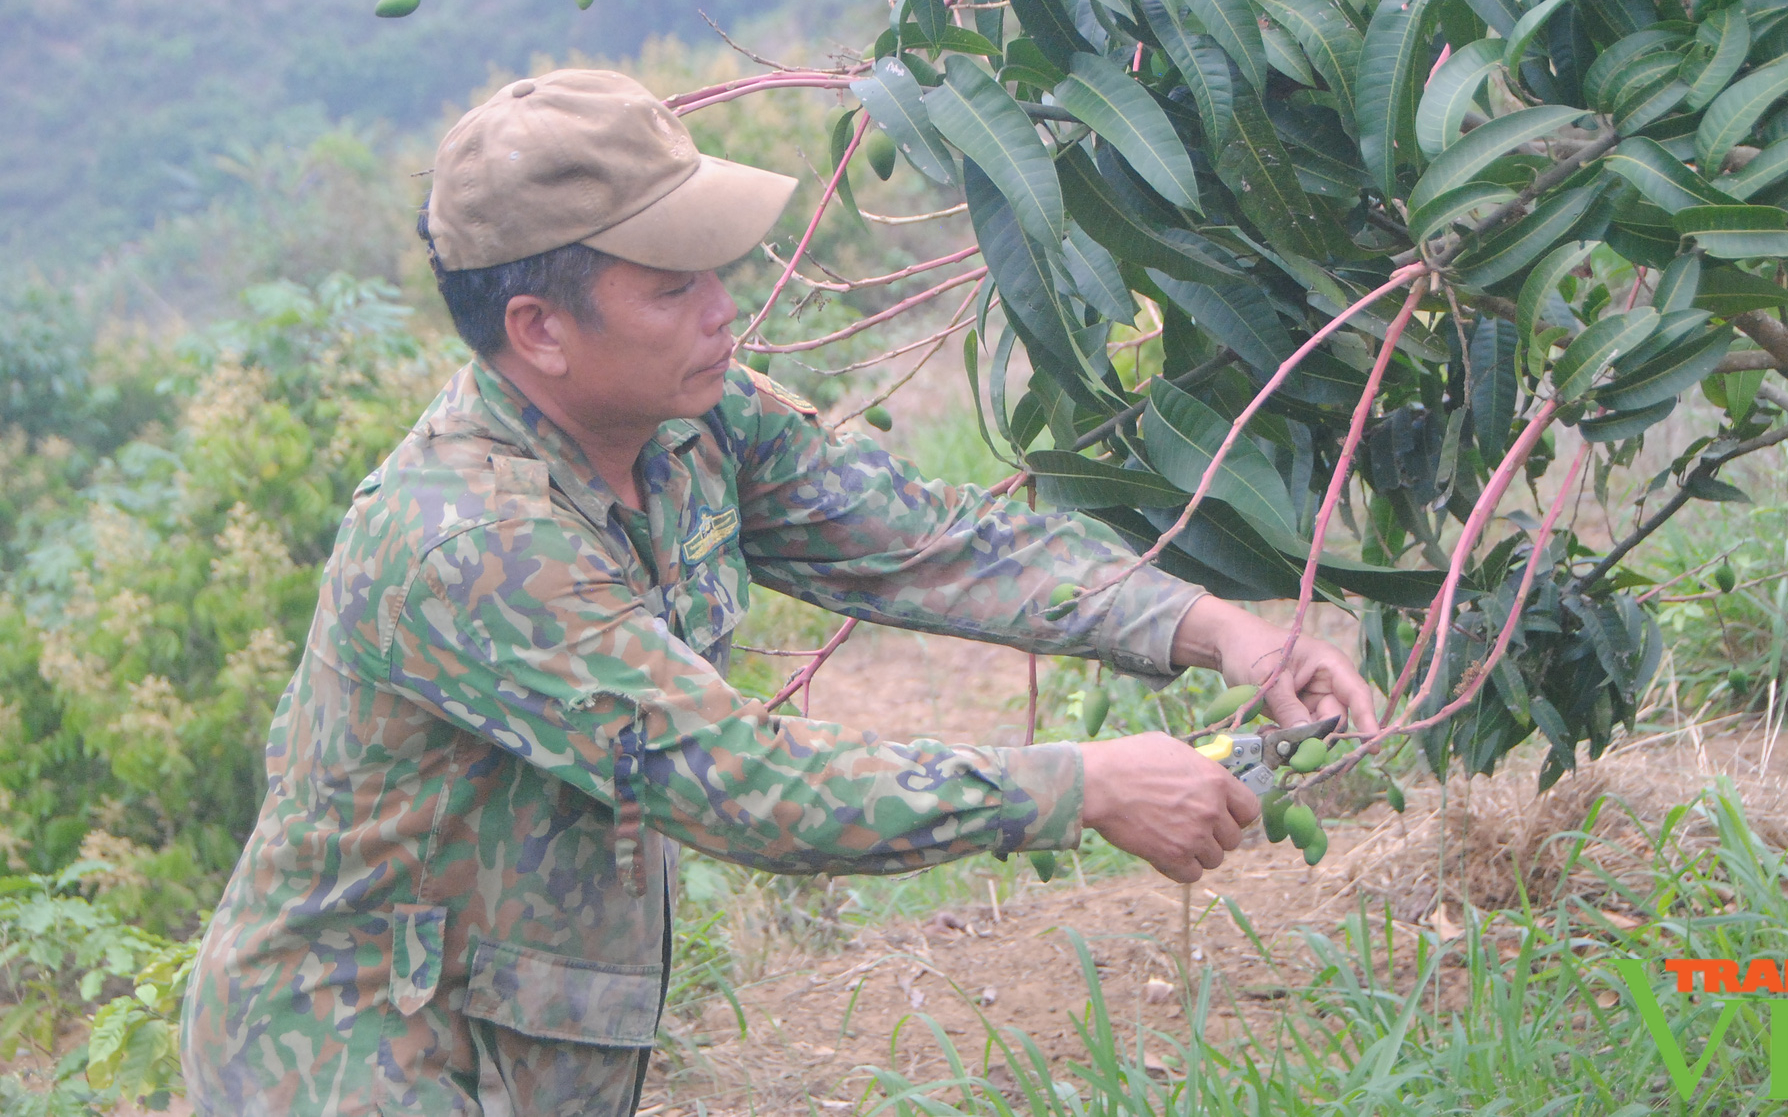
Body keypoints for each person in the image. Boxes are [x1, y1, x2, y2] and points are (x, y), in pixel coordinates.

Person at [180, 68, 1377, 1116]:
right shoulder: (469, 547)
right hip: (354, 1058)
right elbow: (745, 786)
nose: (722, 309)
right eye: (670, 288)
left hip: (516, 1033)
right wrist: (1083, 783)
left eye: (715, 273)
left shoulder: (690, 422)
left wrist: (1211, 630)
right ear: (539, 328)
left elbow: (932, 543)